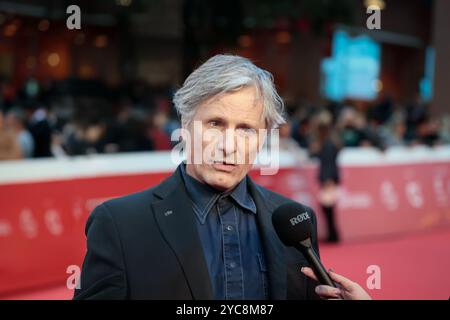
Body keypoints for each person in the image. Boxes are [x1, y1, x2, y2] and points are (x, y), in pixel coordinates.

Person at [74, 54, 370, 300]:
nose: (229, 145)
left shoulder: (295, 224)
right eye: (215, 123)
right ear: (186, 125)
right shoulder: (119, 224)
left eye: (246, 129)